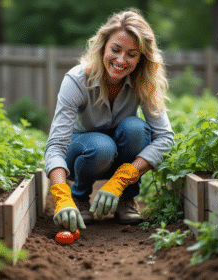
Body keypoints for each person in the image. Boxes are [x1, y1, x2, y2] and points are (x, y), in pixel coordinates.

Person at [44, 8, 174, 233]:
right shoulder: (76, 80)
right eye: (115, 49)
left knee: (136, 129)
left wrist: (121, 180)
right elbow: (55, 146)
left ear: (141, 57)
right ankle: (79, 198)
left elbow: (165, 138)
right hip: (84, 154)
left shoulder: (144, 82)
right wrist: (60, 196)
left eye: (132, 54)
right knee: (101, 146)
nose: (121, 60)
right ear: (102, 46)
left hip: (121, 159)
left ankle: (125, 199)